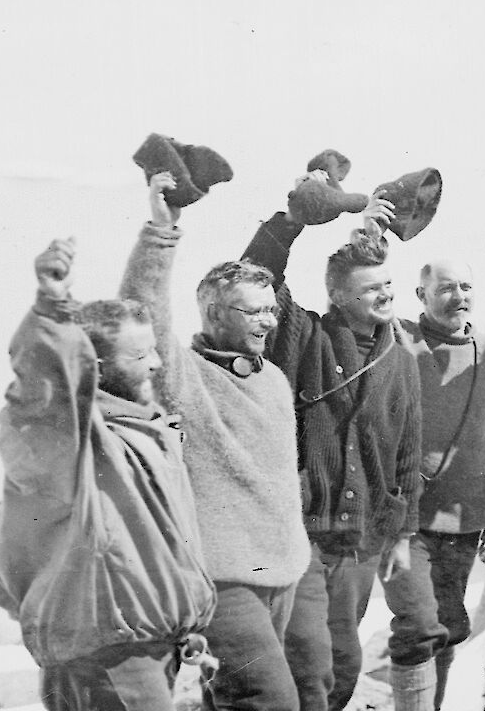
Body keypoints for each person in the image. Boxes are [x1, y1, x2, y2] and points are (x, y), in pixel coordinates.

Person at [0, 206, 216, 710]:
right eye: (138, 356)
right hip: (106, 655)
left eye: (153, 350)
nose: (154, 363)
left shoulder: (151, 431)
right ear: (97, 367)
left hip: (147, 648)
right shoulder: (77, 445)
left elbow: (163, 548)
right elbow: (41, 400)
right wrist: (51, 310)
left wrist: (187, 627)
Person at [241, 179, 441, 711]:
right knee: (310, 663)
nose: (384, 295)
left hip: (360, 541)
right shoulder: (302, 336)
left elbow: (407, 452)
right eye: (370, 288)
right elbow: (257, 276)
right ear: (337, 295)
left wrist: (401, 535)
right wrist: (296, 220)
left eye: (388, 286)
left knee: (345, 664)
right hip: (300, 538)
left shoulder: (400, 357)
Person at [117, 172, 310, 709]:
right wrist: (162, 232)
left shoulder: (271, 377)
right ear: (215, 314)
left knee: (229, 700)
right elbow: (142, 314)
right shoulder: (185, 377)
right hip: (221, 582)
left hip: (284, 570)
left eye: (271, 309)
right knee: (270, 701)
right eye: (254, 311)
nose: (268, 321)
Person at [395, 259, 485, 709]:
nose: (458, 296)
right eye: (446, 287)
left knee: (447, 622)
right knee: (419, 623)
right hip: (406, 516)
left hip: (467, 514)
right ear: (421, 296)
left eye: (466, 286)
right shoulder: (399, 341)